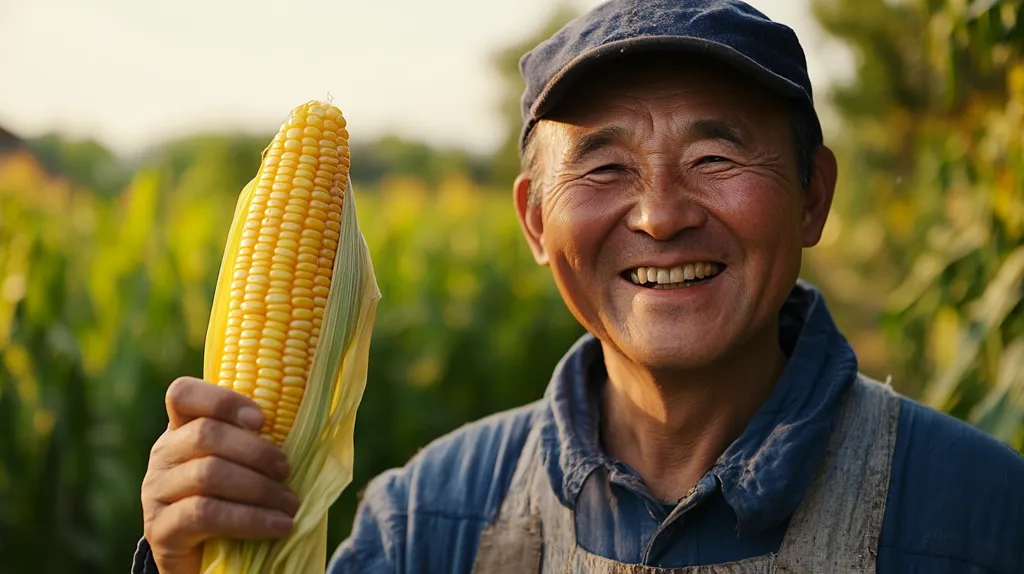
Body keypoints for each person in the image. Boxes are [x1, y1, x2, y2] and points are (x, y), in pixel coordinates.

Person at [133, 1, 1024, 572]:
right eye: (602, 167)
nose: (662, 214)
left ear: (813, 196)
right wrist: (191, 563)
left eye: (715, 156)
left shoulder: (984, 516)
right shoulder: (427, 523)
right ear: (533, 222)